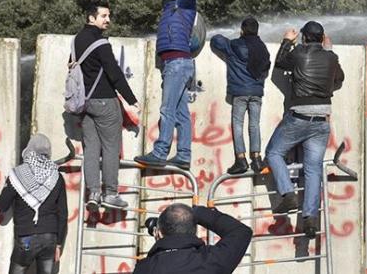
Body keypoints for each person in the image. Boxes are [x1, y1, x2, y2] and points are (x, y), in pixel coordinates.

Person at [265, 21, 344, 238]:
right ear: (321, 38)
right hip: (321, 120)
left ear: (304, 38)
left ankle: (287, 193)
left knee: (273, 153)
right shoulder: (331, 57)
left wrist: (286, 41)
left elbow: (280, 63)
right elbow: (339, 79)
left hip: (298, 116)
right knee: (313, 169)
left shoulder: (299, 52)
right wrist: (329, 52)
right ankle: (310, 220)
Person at [136, 0, 206, 171]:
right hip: (177, 64)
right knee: (182, 113)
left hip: (177, 63)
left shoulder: (184, 4)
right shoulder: (167, 8)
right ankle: (183, 155)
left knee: (167, 110)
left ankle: (160, 152)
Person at [73, 2, 140, 210]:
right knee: (111, 148)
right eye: (103, 16)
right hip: (105, 101)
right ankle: (110, 193)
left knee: (91, 149)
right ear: (91, 18)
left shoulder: (76, 41)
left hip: (84, 103)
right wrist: (131, 99)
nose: (108, 20)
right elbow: (114, 73)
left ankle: (93, 193)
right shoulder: (101, 43)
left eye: (108, 16)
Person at [0, 134, 68, 274]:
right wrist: (58, 244)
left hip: (26, 237)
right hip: (50, 239)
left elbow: (2, 205)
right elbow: (63, 214)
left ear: (29, 149)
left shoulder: (18, 175)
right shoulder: (56, 177)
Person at [210, 16, 271, 175]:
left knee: (238, 124)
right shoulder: (262, 48)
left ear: (242, 30)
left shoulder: (234, 45)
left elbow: (216, 40)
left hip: (240, 92)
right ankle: (257, 159)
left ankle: (241, 159)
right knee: (254, 125)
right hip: (256, 92)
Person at [133, 203, 252, 274]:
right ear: (193, 231)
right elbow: (241, 232)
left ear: (158, 233)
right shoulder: (210, 260)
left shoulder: (143, 269)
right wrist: (199, 213)